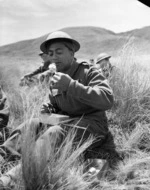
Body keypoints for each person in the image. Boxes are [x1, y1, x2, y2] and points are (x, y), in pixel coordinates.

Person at [0, 31, 121, 188]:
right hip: (67, 121)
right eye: (50, 53)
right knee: (30, 125)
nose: (54, 57)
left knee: (55, 132)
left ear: (72, 52)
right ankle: (3, 158)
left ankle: (12, 179)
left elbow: (107, 99)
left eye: (59, 52)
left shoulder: (89, 72)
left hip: (93, 124)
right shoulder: (55, 76)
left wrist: (71, 85)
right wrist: (49, 107)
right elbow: (54, 102)